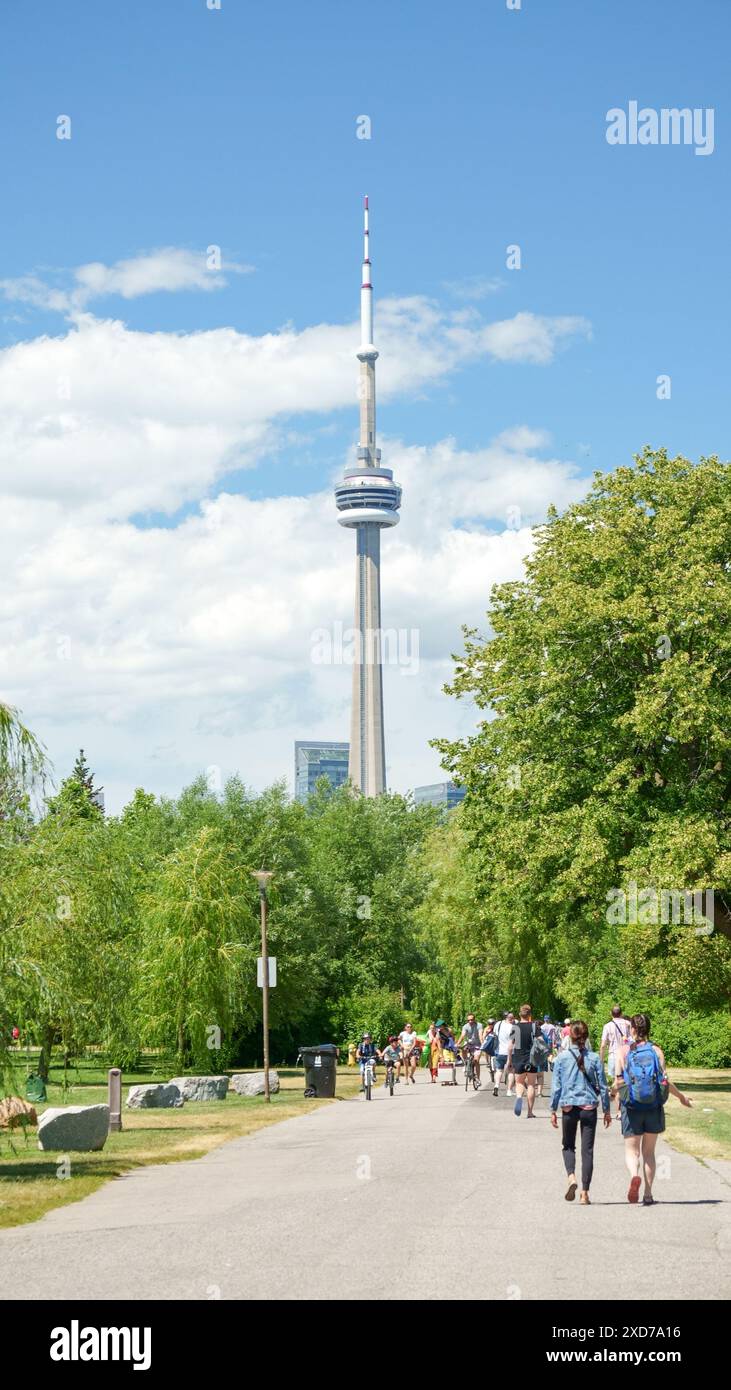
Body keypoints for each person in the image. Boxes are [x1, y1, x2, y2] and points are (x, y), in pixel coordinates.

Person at [613, 1013, 692, 1206]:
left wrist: (613, 1097)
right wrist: (681, 1097)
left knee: (632, 1152)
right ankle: (648, 1194)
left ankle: (634, 1175)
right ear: (648, 1029)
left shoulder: (623, 1051)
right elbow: (664, 1082)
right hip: (653, 1107)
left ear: (632, 1029)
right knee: (649, 1152)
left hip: (631, 1107)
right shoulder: (657, 1051)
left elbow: (618, 1082)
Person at [551, 1019, 611, 1205]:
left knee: (568, 1146)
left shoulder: (561, 1058)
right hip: (588, 1107)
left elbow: (556, 1087)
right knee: (588, 1150)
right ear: (586, 1037)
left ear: (570, 1036)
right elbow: (603, 1086)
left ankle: (571, 1177)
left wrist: (553, 1109)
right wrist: (607, 1110)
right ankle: (585, 1193)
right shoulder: (594, 1058)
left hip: (569, 1106)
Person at [508, 1004, 541, 1118]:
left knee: (519, 1082)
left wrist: (509, 1060)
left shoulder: (515, 1027)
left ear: (519, 1014)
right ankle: (530, 1112)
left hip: (519, 1058)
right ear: (530, 1015)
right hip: (532, 1059)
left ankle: (518, 1096)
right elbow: (541, 1041)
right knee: (531, 1084)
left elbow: (510, 1046)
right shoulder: (534, 1026)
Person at [599, 1006, 631, 1118]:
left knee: (617, 1081)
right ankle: (621, 1109)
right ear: (621, 1013)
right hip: (627, 1054)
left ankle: (618, 1109)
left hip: (613, 1055)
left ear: (611, 1013)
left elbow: (603, 1045)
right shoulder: (628, 1024)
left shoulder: (607, 1026)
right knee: (624, 1082)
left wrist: (601, 1059)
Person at [493, 1012, 517, 1096]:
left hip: (499, 1051)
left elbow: (495, 1035)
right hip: (511, 1052)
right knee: (511, 1071)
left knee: (499, 1070)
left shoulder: (498, 1024)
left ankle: (496, 1085)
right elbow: (515, 1042)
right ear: (513, 1018)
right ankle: (509, 1091)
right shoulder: (514, 1027)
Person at [457, 1013, 483, 1087]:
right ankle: (466, 1063)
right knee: (463, 1049)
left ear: (474, 1019)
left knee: (476, 1060)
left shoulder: (479, 1025)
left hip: (477, 1044)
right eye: (468, 1020)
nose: (470, 1021)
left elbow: (480, 1035)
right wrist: (457, 1043)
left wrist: (483, 1044)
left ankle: (478, 1078)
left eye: (472, 1020)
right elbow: (463, 1035)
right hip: (468, 1043)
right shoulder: (465, 1026)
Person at [480, 1019, 499, 1087]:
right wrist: (483, 1042)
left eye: (492, 1024)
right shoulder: (486, 1029)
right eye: (489, 1024)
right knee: (486, 1049)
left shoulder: (497, 1028)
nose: (491, 1025)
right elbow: (483, 1037)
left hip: (496, 1042)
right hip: (489, 1042)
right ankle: (488, 1062)